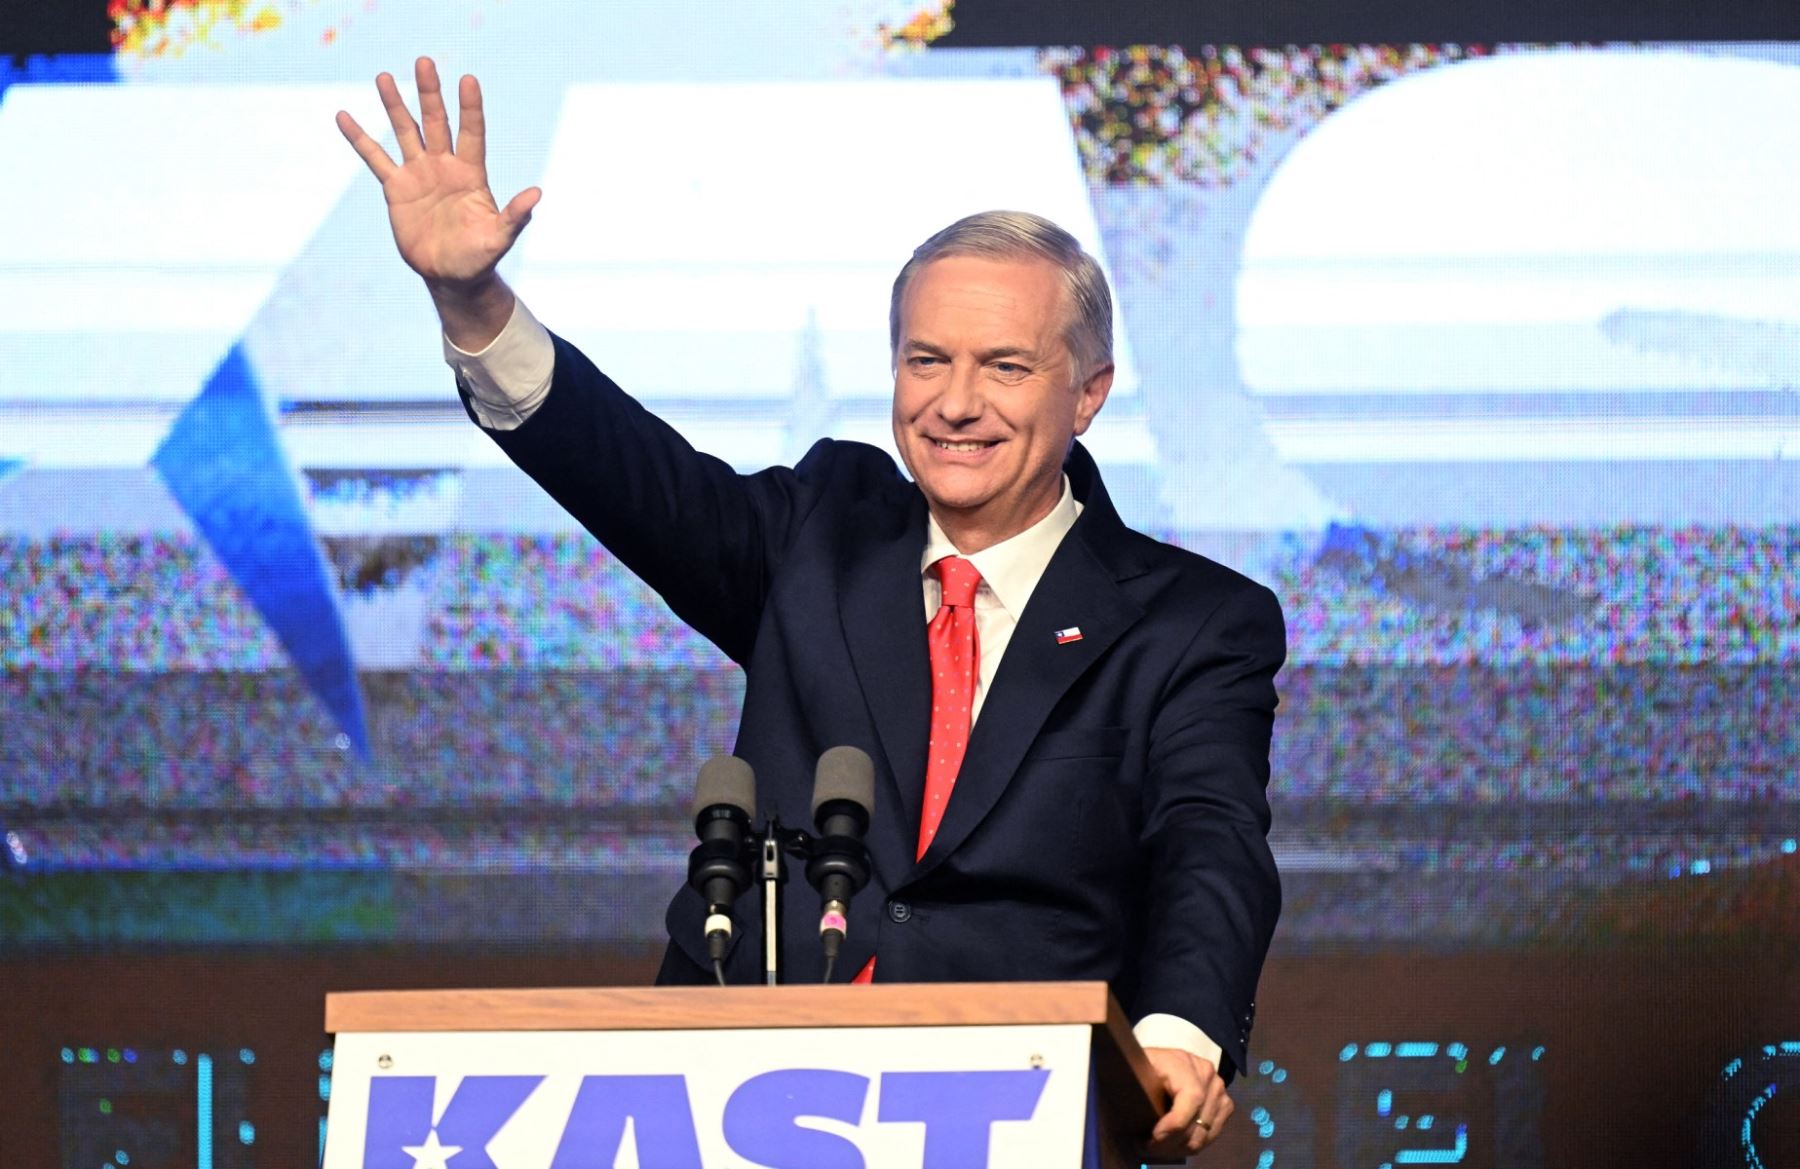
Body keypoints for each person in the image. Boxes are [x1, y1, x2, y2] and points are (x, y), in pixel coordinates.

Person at [338, 57, 1285, 1158]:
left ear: (1088, 392)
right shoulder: (820, 534)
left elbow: (1211, 838)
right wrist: (474, 302)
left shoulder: (1192, 621)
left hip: (1008, 1114)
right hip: (729, 1107)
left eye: (1004, 366)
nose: (956, 402)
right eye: (926, 359)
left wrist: (1178, 1030)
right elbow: (636, 479)